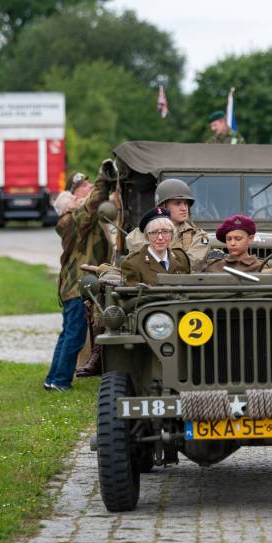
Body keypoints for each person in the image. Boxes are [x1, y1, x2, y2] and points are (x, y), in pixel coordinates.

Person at [43, 161, 115, 392]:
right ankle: (62, 381)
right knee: (74, 336)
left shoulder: (75, 221)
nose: (87, 189)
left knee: (67, 335)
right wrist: (103, 179)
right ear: (68, 206)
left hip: (74, 287)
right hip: (77, 287)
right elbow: (92, 205)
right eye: (80, 189)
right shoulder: (72, 221)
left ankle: (53, 378)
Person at [126, 178, 210, 270]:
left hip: (182, 282)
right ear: (163, 206)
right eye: (178, 203)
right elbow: (137, 258)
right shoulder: (142, 232)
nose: (184, 208)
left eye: (186, 204)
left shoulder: (198, 236)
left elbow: (192, 263)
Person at [121, 207, 190, 286]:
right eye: (154, 233)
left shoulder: (181, 258)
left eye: (165, 232)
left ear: (171, 234)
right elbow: (132, 297)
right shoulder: (133, 264)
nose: (160, 238)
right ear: (147, 236)